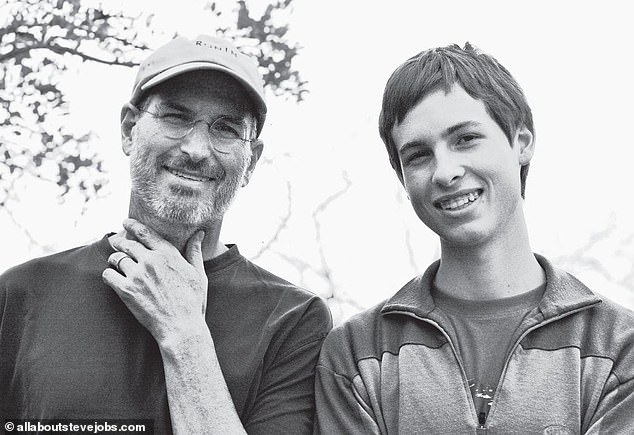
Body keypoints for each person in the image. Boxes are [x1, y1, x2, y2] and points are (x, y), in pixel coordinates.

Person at [0, 34, 332, 434]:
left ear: (252, 162)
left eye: (225, 128)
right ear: (129, 129)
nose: (196, 148)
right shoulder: (21, 295)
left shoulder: (293, 321)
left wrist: (184, 334)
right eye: (176, 117)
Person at [313, 43, 634, 434]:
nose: (445, 171)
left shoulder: (619, 349)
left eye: (465, 139)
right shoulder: (357, 355)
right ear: (402, 177)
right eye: (418, 155)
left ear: (522, 142)